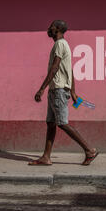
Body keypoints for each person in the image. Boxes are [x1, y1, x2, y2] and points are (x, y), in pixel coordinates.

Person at [29, 20, 98, 166]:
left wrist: (41, 89)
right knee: (51, 123)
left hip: (58, 90)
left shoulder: (60, 44)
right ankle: (46, 157)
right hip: (57, 89)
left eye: (52, 26)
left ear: (58, 29)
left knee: (62, 123)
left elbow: (54, 68)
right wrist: (73, 92)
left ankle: (89, 150)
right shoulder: (63, 45)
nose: (49, 28)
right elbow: (69, 70)